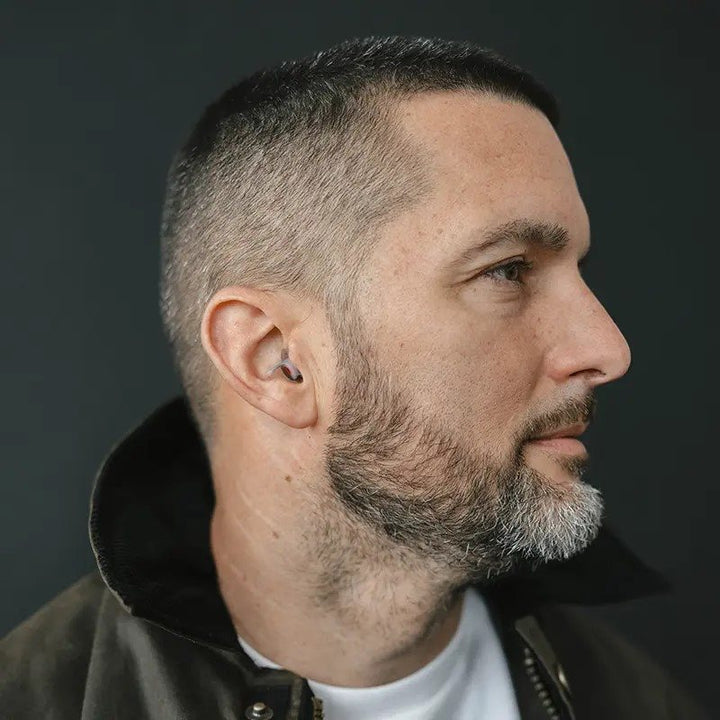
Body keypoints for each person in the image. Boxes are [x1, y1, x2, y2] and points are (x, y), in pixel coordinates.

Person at [0, 36, 709, 720]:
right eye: (507, 271)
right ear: (277, 361)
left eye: (577, 271)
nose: (608, 348)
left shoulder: (639, 702)